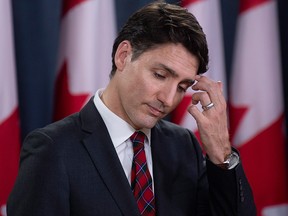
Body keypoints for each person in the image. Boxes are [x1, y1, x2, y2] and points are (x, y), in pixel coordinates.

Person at [7, 2, 256, 216]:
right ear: (123, 55)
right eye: (160, 75)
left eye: (182, 86)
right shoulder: (53, 149)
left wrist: (222, 153)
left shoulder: (183, 146)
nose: (168, 100)